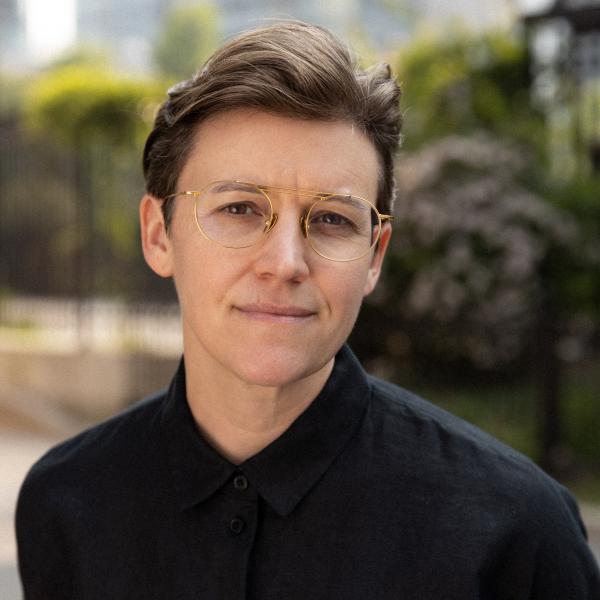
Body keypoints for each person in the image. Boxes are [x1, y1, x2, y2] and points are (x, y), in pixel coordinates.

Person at [16, 21, 600, 600]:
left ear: (374, 255)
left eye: (331, 219)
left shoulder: (516, 533)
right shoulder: (66, 504)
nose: (286, 262)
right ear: (158, 236)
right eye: (240, 208)